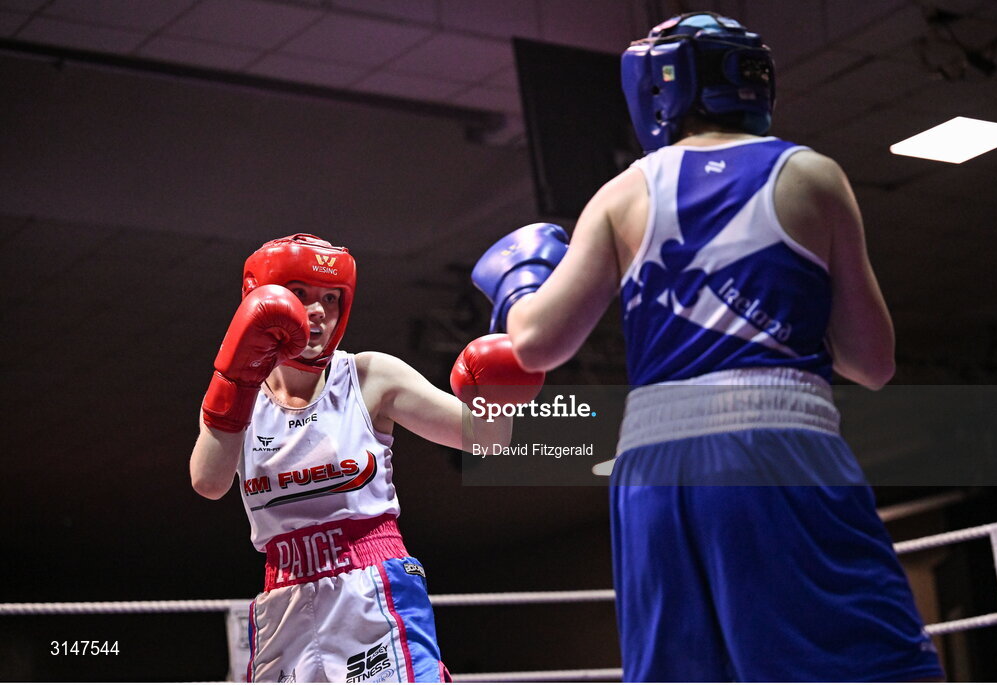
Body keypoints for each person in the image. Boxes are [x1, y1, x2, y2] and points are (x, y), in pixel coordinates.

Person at [470, 12, 945, 683]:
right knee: (863, 664)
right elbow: (873, 362)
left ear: (659, 86)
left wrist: (520, 283)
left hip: (654, 462)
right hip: (777, 442)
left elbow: (537, 343)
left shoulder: (624, 192)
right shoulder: (812, 176)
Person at [190, 233, 542, 683]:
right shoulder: (240, 394)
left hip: (371, 584)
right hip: (284, 597)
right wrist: (234, 382)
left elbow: (486, 439)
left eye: (330, 298)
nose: (317, 312)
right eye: (299, 295)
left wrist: (503, 395)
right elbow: (208, 481)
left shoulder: (369, 376)